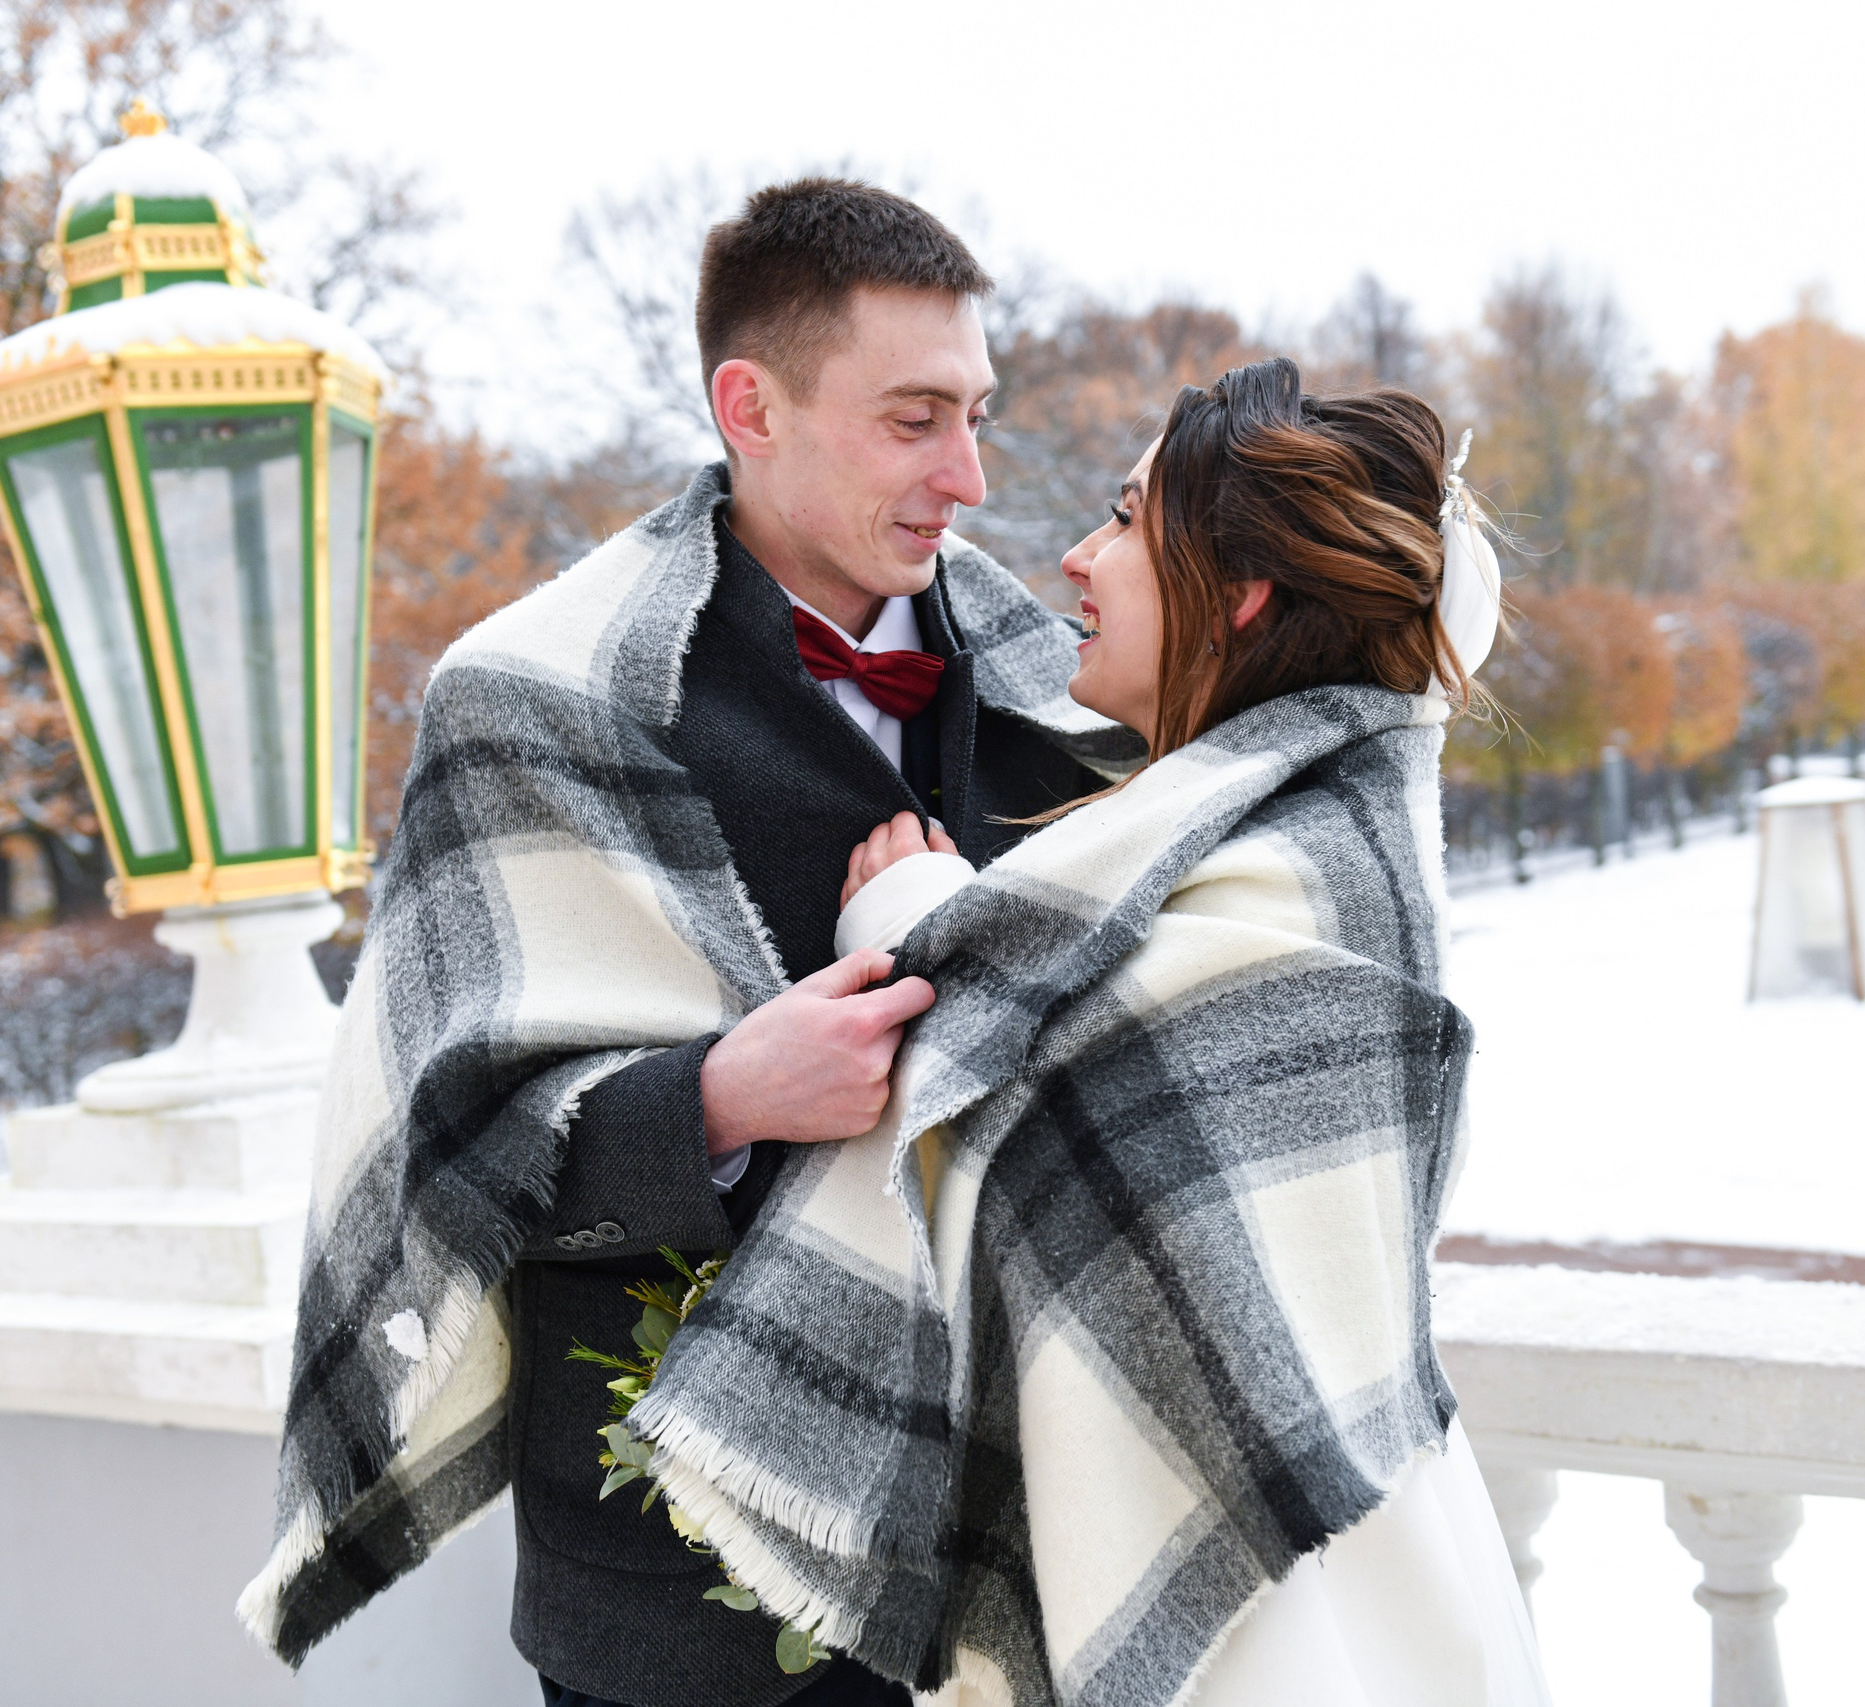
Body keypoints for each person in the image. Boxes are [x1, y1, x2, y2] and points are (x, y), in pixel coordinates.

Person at [242, 180, 1139, 1706]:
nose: (973, 475)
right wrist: (720, 1098)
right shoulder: (526, 698)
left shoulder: (1071, 681)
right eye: (916, 418)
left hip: (1034, 1558)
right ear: (753, 404)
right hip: (684, 1609)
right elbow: (438, 1165)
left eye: (977, 413)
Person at [625, 359, 1549, 1707]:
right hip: (1303, 1526)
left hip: (1285, 1598)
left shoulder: (1307, 862)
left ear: (1239, 595)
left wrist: (916, 922)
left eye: (1125, 522)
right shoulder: (1266, 819)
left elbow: (1066, 1130)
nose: (1075, 554)